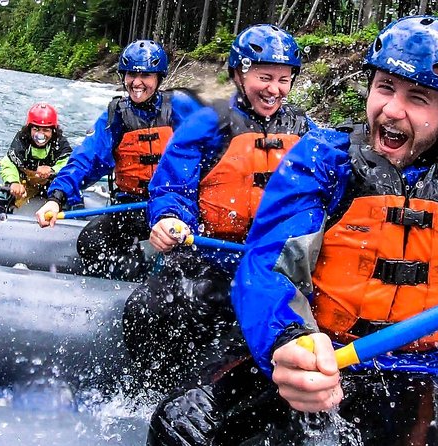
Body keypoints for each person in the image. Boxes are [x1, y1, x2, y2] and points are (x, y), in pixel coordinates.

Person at [147, 15, 438, 445]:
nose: (393, 111)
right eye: (384, 88)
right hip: (309, 345)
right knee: (178, 426)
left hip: (408, 371)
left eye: (417, 98)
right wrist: (287, 338)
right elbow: (271, 261)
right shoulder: (322, 160)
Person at [122, 24, 315, 391]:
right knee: (148, 309)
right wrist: (169, 218)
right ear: (239, 75)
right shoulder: (208, 122)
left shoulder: (306, 130)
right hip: (210, 258)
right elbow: (172, 186)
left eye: (284, 80)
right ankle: (154, 390)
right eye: (264, 77)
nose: (274, 89)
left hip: (277, 267)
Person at [34, 39, 204, 281]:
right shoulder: (116, 116)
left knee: (187, 261)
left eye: (145, 75)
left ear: (158, 77)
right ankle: (133, 271)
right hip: (132, 207)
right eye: (130, 74)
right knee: (91, 243)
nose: (136, 82)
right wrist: (56, 198)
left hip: (177, 207)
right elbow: (87, 158)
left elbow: (214, 150)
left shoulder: (181, 108)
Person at [0, 103, 72, 214]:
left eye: (46, 130)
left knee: (69, 194)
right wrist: (13, 182)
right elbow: (8, 162)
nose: (40, 135)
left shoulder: (60, 141)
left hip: (50, 184)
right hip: (25, 182)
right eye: (36, 129)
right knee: (4, 194)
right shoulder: (22, 139)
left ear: (53, 130)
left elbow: (69, 164)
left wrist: (52, 170)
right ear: (30, 129)